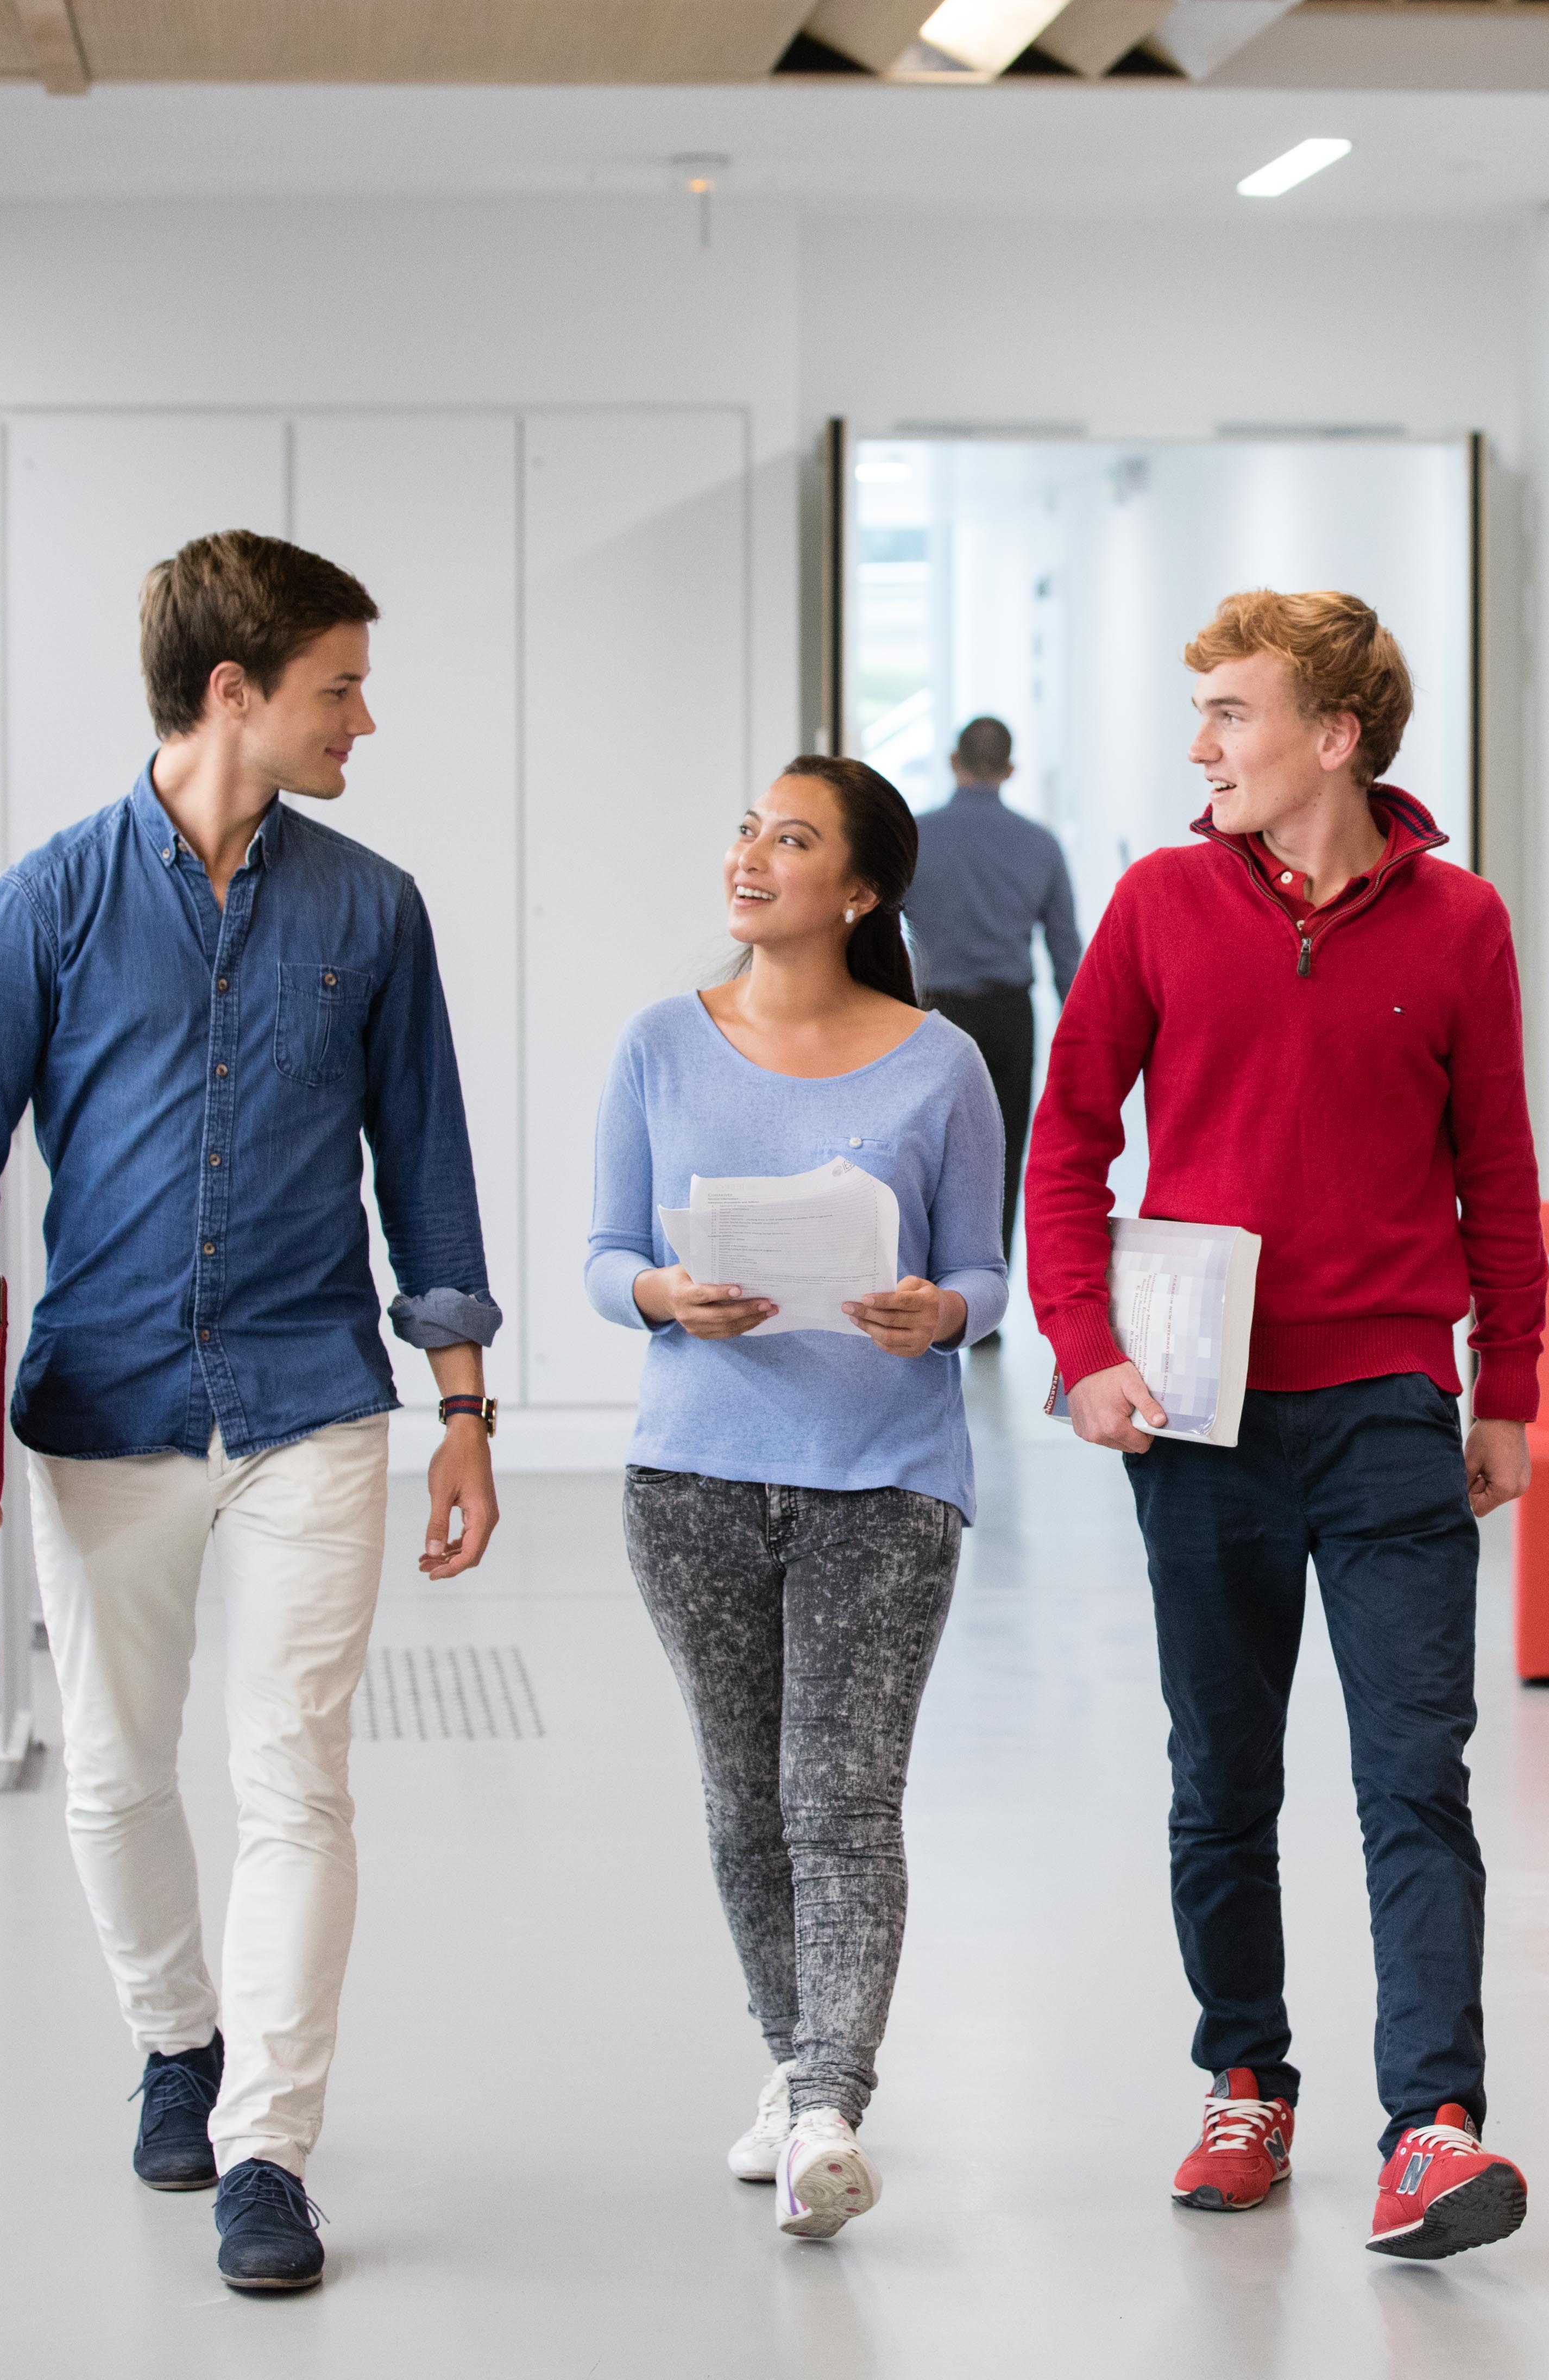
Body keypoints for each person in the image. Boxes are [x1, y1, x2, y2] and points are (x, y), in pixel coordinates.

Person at [0, 531, 502, 2295]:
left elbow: (429, 1171)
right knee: (112, 1770)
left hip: (315, 1397)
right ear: (234, 693)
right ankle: (178, 2035)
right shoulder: (46, 903)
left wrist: (462, 1407)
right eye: (340, 687)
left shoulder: (372, 909)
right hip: (105, 1405)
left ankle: (269, 2151)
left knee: (293, 1774)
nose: (365, 720)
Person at [1028, 589, 1546, 2262]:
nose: (1201, 747)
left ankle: (1434, 2126)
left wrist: (1511, 1388)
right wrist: (1084, 1343)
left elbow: (1500, 1180)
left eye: (1230, 712)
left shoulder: (1460, 922)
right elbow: (1067, 1138)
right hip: (1197, 1415)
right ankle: (1244, 2074)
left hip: (1391, 1408)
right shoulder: (1160, 902)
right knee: (1221, 1776)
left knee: (1415, 1774)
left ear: (1332, 735)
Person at [583, 755, 1005, 2241]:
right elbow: (602, 1254)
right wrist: (659, 1294)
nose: (753, 855)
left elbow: (986, 1276)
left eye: (795, 838)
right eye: (749, 829)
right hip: (693, 1477)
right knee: (742, 1802)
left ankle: (830, 2096)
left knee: (841, 1797)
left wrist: (937, 1316)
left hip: (881, 1482)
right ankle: (789, 2063)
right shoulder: (658, 1044)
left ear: (862, 890)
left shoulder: (940, 1063)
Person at [904, 715, 1084, 1260]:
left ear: (953, 762)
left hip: (931, 1015)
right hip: (1009, 1017)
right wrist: (1082, 1049)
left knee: (924, 1150)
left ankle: (926, 1278)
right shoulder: (1041, 845)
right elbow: (1064, 951)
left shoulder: (912, 838)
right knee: (999, 1154)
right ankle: (985, 1283)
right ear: (1010, 769)